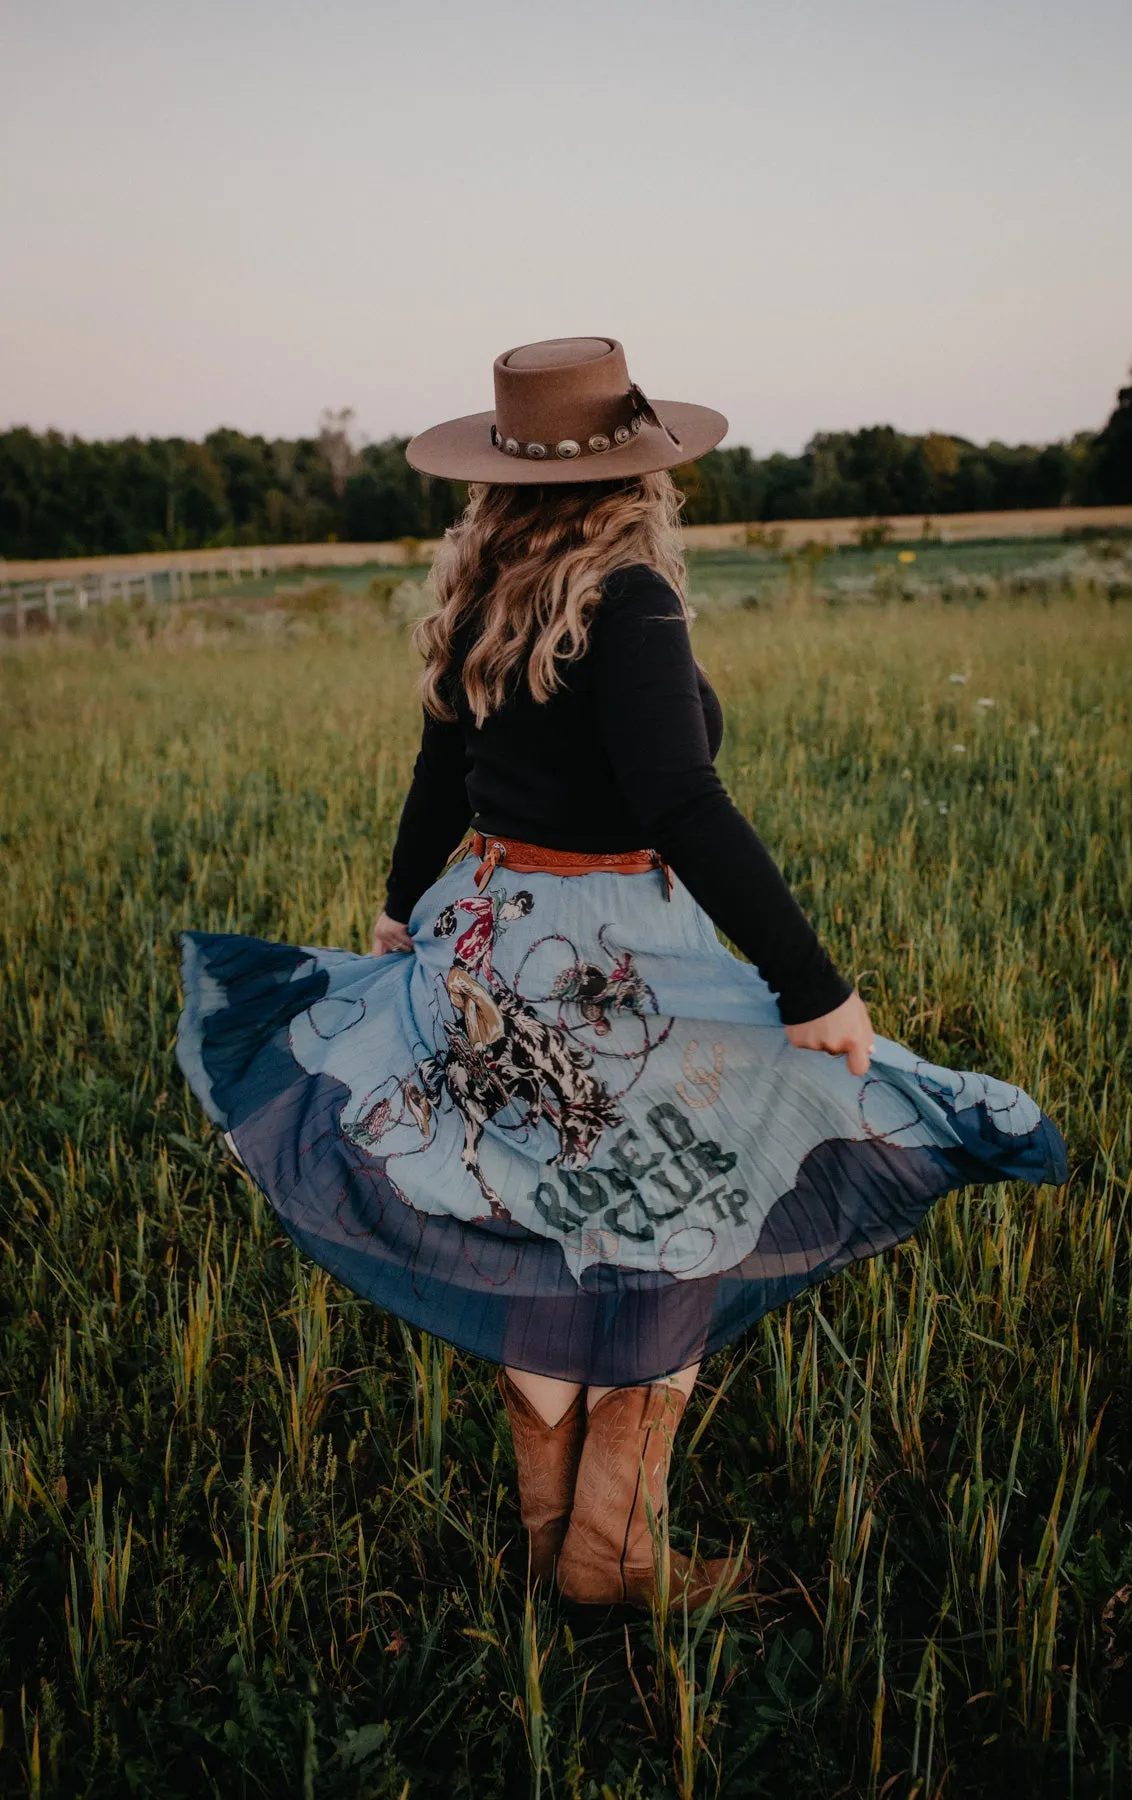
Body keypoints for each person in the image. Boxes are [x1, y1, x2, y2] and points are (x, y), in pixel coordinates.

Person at [176, 336, 1068, 1611]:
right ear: (643, 471)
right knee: (679, 1209)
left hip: (482, 930)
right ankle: (610, 1555)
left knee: (548, 1223)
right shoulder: (631, 598)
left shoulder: (484, 588)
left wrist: (394, 909)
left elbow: (444, 777)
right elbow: (682, 801)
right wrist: (812, 985)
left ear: (499, 473)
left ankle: (561, 1550)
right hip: (609, 954)